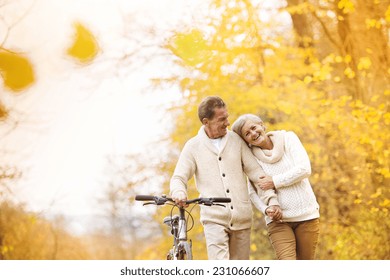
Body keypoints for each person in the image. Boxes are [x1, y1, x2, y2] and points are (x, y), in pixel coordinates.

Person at [170, 96, 279, 260]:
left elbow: (257, 175)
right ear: (206, 122)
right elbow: (178, 177)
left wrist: (271, 200)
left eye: (227, 117)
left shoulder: (236, 141)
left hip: (242, 219)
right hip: (214, 219)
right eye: (222, 119)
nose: (228, 122)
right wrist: (179, 192)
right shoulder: (193, 147)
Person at [231, 114, 320, 260]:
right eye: (247, 133)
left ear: (261, 125)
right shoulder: (251, 158)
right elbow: (252, 191)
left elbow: (304, 169)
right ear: (245, 140)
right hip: (279, 222)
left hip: (307, 216)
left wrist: (275, 181)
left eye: (254, 128)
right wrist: (265, 209)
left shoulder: (288, 138)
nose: (253, 133)